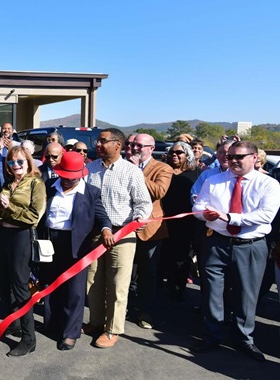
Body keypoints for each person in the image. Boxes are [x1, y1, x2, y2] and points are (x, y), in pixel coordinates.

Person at [191, 141, 280, 361]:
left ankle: (244, 339)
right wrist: (205, 215)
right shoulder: (213, 181)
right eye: (230, 157)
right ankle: (212, 336)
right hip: (216, 243)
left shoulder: (268, 184)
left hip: (250, 245)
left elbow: (265, 215)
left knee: (246, 295)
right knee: (212, 292)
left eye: (239, 157)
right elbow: (198, 207)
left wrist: (229, 217)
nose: (233, 161)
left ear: (255, 158)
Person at [83, 128, 152, 349]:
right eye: (98, 141)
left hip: (122, 233)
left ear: (118, 145)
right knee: (93, 281)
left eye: (103, 141)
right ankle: (95, 322)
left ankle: (112, 329)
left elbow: (143, 203)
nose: (98, 145)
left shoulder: (131, 172)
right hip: (94, 233)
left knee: (117, 284)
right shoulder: (90, 169)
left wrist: (138, 219)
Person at [40, 151, 112, 351]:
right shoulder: (49, 186)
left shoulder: (90, 192)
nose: (66, 181)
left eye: (71, 178)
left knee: (75, 291)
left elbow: (103, 217)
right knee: (51, 284)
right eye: (64, 176)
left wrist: (107, 229)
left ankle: (71, 333)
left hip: (76, 245)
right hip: (49, 241)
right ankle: (53, 325)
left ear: (80, 175)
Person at [0, 146, 45, 356]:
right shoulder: (8, 183)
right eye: (11, 163)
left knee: (21, 286)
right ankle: (14, 322)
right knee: (3, 282)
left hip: (21, 237)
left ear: (28, 162)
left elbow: (33, 217)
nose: (16, 166)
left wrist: (10, 206)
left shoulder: (35, 183)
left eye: (20, 162)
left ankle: (29, 338)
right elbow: (0, 213)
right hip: (3, 235)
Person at [126, 134, 172, 330]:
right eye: (133, 144)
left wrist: (136, 171)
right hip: (125, 226)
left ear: (151, 148)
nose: (135, 148)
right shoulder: (123, 164)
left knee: (148, 274)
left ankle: (146, 311)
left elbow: (158, 192)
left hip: (150, 230)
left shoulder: (163, 168)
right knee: (125, 273)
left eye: (140, 145)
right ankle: (122, 309)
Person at [161, 142, 202, 300]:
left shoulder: (196, 173)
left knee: (181, 257)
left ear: (187, 155)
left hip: (186, 223)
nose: (174, 155)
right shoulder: (163, 171)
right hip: (162, 220)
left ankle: (177, 289)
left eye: (179, 152)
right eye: (172, 152)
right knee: (163, 256)